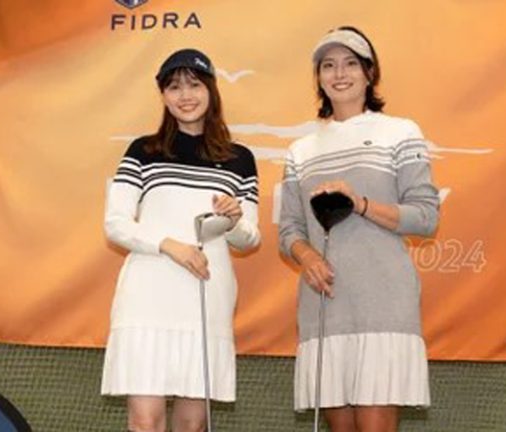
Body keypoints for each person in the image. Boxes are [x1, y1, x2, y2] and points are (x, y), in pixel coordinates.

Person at [278, 27, 440, 432]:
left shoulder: (400, 131)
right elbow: (290, 228)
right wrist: (307, 256)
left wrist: (360, 203)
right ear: (318, 77)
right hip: (325, 305)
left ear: (369, 73)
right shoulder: (301, 150)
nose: (339, 74)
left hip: (384, 304)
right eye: (328, 65)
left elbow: (425, 217)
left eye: (351, 63)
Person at [101, 48, 260, 432]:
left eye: (194, 85)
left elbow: (249, 239)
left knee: (192, 425)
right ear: (163, 95)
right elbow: (116, 223)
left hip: (206, 296)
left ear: (211, 91)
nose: (185, 95)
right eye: (174, 87)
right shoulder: (143, 151)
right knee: (145, 422)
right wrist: (170, 246)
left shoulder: (239, 158)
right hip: (147, 296)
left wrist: (234, 219)